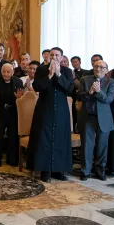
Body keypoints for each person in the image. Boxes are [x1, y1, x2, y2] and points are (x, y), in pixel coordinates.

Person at [26, 47, 75, 182]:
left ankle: (58, 170)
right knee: (44, 139)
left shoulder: (67, 71)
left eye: (57, 55)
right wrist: (49, 75)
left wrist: (58, 75)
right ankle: (45, 171)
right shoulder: (42, 69)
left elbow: (70, 89)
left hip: (60, 110)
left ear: (62, 57)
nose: (54, 57)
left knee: (60, 139)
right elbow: (37, 87)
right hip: (44, 108)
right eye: (51, 55)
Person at [76, 60, 114, 181]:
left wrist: (98, 92)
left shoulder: (111, 82)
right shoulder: (85, 79)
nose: (98, 69)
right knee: (87, 145)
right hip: (88, 116)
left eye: (101, 67)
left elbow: (109, 99)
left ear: (106, 70)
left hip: (104, 118)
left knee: (102, 146)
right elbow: (79, 96)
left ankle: (100, 170)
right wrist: (90, 92)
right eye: (96, 66)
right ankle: (85, 170)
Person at [0, 63, 24, 167]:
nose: (6, 74)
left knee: (13, 137)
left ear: (12, 72)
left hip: (13, 113)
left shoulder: (18, 81)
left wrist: (19, 98)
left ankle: (12, 160)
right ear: (1, 71)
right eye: (4, 71)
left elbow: (20, 99)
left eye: (8, 72)